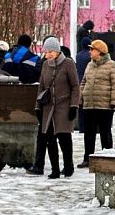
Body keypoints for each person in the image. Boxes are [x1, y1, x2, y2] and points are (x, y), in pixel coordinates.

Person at [32, 37, 81, 178]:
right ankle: (55, 169)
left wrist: (73, 106)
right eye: (46, 52)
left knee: (64, 138)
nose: (47, 55)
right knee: (49, 139)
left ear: (56, 51)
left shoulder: (68, 64)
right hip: (48, 108)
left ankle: (68, 166)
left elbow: (75, 87)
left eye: (49, 52)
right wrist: (37, 107)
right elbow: (41, 87)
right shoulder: (46, 65)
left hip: (64, 106)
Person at [78, 39, 115, 168]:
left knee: (105, 132)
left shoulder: (111, 65)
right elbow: (83, 82)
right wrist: (81, 97)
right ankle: (88, 157)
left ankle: (107, 157)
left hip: (104, 106)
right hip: (89, 105)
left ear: (100, 52)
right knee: (89, 133)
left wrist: (114, 102)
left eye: (93, 49)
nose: (90, 52)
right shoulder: (90, 65)